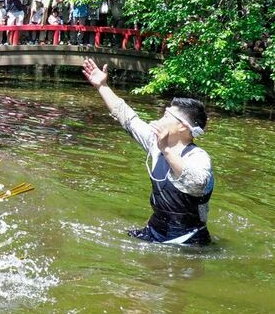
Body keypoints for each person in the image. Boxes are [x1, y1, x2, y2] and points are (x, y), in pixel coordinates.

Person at [82, 58, 213, 245]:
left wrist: (166, 150)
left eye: (167, 116)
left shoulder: (198, 157)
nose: (160, 118)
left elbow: (197, 184)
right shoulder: (155, 143)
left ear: (183, 127)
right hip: (156, 229)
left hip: (187, 239)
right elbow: (127, 118)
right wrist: (102, 86)